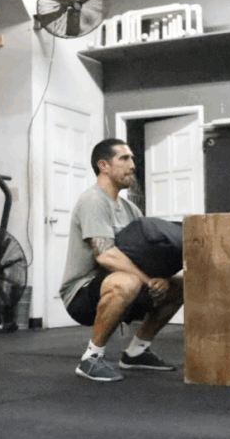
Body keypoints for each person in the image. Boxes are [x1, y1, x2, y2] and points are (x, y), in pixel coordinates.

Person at [59, 139, 185, 382]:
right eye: (124, 159)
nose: (132, 165)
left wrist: (159, 279)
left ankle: (137, 352)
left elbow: (144, 254)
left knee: (180, 285)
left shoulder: (130, 209)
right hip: (82, 292)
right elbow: (105, 255)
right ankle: (91, 359)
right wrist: (147, 280)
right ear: (104, 166)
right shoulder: (93, 200)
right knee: (127, 282)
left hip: (125, 283)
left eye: (132, 159)